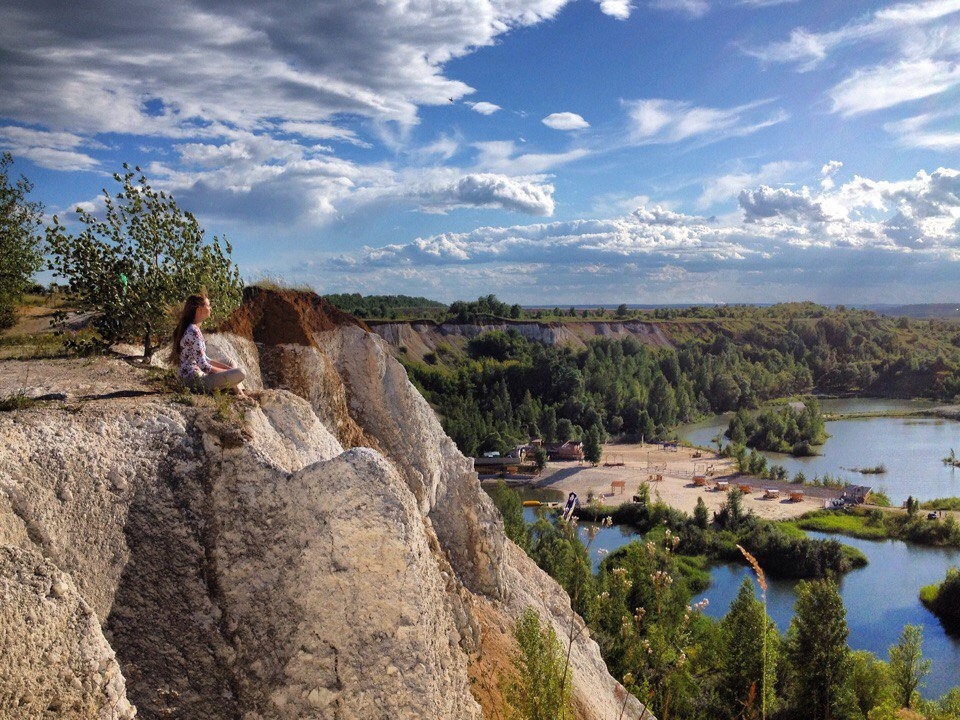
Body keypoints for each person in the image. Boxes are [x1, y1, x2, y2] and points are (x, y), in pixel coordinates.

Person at [170, 292, 245, 394]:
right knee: (240, 372)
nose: (210, 308)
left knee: (230, 362)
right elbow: (205, 366)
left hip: (195, 375)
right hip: (193, 382)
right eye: (208, 305)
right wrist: (228, 372)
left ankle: (238, 391)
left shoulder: (193, 328)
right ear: (199, 309)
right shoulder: (194, 332)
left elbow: (206, 359)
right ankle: (240, 393)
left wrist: (229, 369)